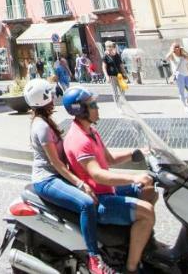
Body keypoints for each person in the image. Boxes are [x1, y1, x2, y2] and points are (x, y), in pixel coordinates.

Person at [61, 86, 157, 274]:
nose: (98, 108)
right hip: (99, 200)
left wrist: (135, 153)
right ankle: (131, 268)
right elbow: (98, 174)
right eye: (93, 104)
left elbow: (109, 159)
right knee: (147, 212)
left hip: (106, 190)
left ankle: (135, 240)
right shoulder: (79, 140)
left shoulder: (91, 131)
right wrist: (133, 177)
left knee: (149, 188)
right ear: (79, 110)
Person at [24, 79, 100, 274]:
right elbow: (56, 163)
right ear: (43, 99)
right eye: (50, 94)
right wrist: (80, 183)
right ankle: (93, 257)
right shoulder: (41, 127)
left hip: (54, 176)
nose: (54, 97)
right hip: (46, 180)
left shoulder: (45, 122)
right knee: (85, 203)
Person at [166, 43, 188, 111]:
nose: (177, 48)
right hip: (178, 74)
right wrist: (172, 50)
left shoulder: (183, 55)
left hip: (186, 74)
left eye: (178, 47)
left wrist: (184, 50)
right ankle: (185, 106)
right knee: (181, 91)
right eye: (175, 47)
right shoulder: (172, 56)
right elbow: (166, 58)